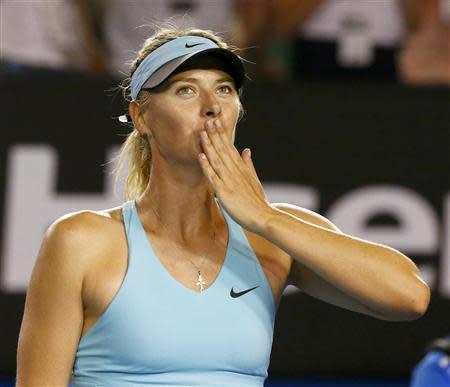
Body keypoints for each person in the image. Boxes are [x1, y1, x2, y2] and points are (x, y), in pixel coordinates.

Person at [15, 26, 430, 386]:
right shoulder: (81, 241)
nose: (211, 106)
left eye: (225, 89)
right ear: (141, 116)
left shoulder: (272, 234)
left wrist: (265, 218)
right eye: (186, 90)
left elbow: (409, 297)